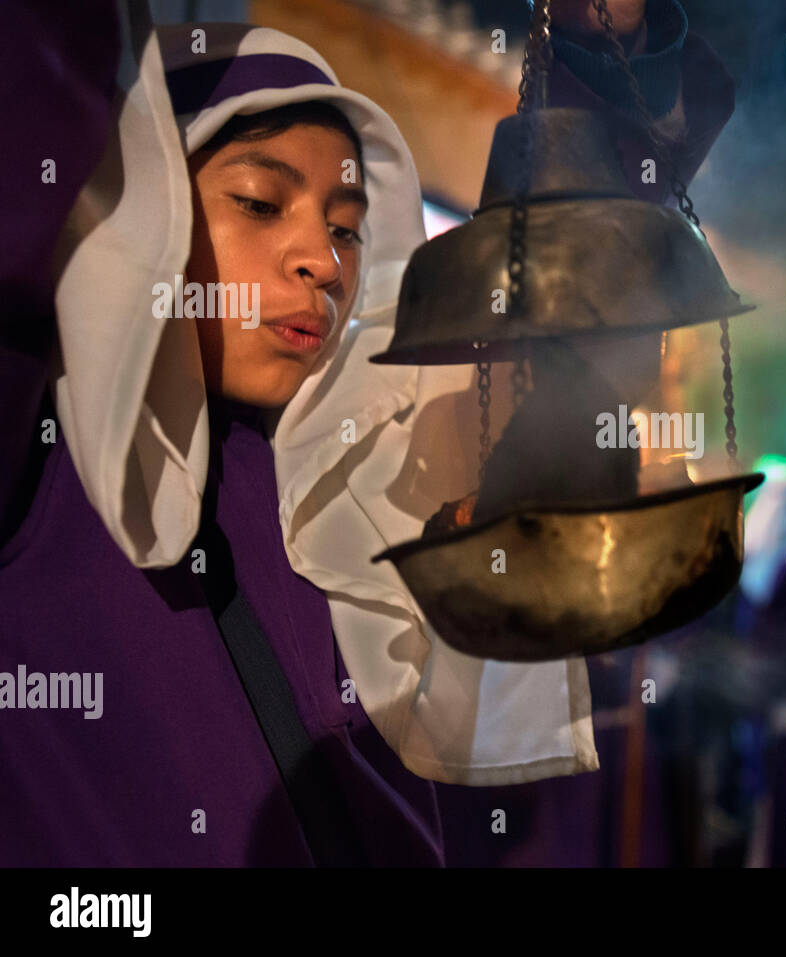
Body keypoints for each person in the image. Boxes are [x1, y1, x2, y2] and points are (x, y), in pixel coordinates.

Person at [0, 0, 736, 865]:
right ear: (145, 209)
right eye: (260, 201)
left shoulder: (362, 470)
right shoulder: (40, 461)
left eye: (347, 227)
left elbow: (575, 296)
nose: (322, 259)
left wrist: (600, 41)